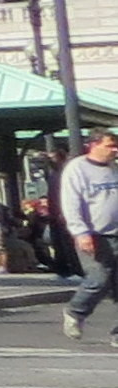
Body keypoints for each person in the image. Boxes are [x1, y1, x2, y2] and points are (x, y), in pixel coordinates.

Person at [59, 128, 118, 343]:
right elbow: (71, 203)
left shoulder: (114, 168)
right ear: (93, 145)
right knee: (99, 279)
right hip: (95, 235)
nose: (115, 150)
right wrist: (80, 232)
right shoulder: (77, 169)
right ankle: (76, 312)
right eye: (109, 145)